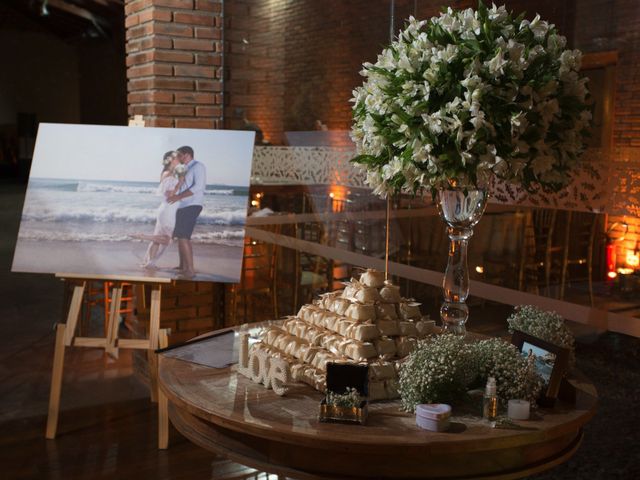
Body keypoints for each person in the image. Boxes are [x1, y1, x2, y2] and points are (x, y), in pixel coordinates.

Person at [134, 151, 183, 269]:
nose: (179, 159)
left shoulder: (169, 173)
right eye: (177, 158)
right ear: (170, 159)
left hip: (167, 209)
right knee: (167, 240)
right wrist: (180, 182)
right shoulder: (169, 174)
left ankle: (150, 263)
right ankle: (143, 236)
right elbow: (170, 194)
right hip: (168, 210)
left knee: (157, 239)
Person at [168, 145, 206, 279]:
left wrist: (178, 196)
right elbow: (180, 186)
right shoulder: (184, 168)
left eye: (179, 155)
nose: (178, 158)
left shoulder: (198, 166)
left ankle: (190, 270)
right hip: (182, 205)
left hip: (192, 204)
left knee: (184, 236)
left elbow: (198, 186)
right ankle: (182, 266)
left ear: (186, 154)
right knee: (180, 236)